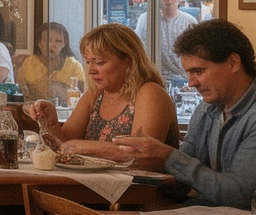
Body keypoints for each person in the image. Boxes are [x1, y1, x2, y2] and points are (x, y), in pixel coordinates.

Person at [108, 20, 256, 208]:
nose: (191, 83)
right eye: (188, 73)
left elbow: (241, 197)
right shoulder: (208, 108)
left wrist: (169, 157)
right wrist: (141, 167)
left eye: (198, 71)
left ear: (233, 62)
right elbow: (184, 180)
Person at [25, 24, 176, 160]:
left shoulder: (149, 93)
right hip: (97, 185)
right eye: (88, 62)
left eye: (99, 62)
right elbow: (65, 145)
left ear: (128, 60)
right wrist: (50, 122)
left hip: (141, 189)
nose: (91, 70)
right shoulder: (95, 95)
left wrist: (85, 147)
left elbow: (143, 156)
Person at [134, 0, 197, 87]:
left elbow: (196, 51)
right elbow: (137, 46)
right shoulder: (146, 19)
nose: (169, 1)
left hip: (183, 77)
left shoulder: (189, 21)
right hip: (155, 77)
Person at [16, 22, 85, 103]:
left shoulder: (74, 66)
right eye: (48, 40)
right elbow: (20, 93)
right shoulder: (28, 64)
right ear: (39, 43)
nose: (52, 45)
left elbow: (81, 97)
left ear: (64, 43)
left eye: (58, 41)